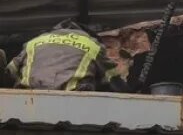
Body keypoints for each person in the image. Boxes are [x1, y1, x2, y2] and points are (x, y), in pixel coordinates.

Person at [2, 19, 130, 91]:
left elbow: (10, 71)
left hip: (28, 95)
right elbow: (112, 79)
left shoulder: (34, 42)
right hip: (73, 97)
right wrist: (129, 91)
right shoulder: (92, 44)